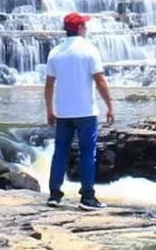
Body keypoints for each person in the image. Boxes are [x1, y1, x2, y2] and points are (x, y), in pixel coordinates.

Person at [44, 12, 115, 210]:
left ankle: (54, 195)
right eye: (85, 25)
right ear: (81, 28)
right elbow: (100, 81)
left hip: (63, 113)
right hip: (86, 112)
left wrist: (49, 110)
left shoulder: (55, 52)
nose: (87, 28)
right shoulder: (89, 50)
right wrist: (110, 106)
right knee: (87, 154)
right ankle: (87, 197)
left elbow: (49, 85)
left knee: (60, 152)